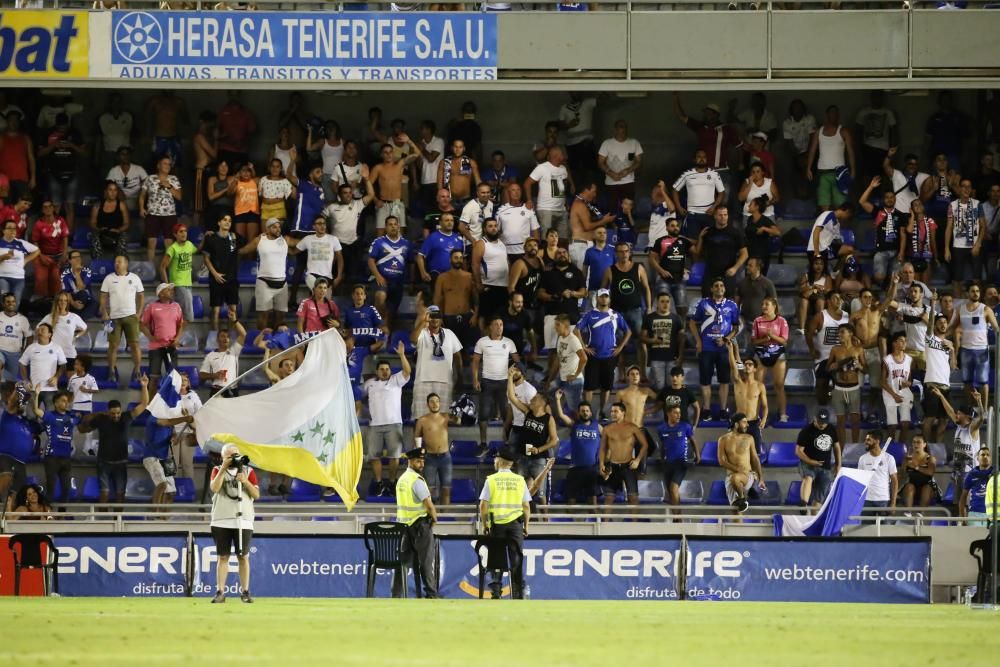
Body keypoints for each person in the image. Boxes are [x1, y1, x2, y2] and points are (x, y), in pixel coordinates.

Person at [78, 377, 149, 505]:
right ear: (108, 412)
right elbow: (82, 430)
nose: (116, 415)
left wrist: (144, 386)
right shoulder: (101, 419)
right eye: (112, 413)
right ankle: (104, 523)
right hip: (103, 462)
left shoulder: (127, 417)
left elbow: (144, 404)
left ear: (121, 411)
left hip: (121, 463)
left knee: (120, 494)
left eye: (118, 413)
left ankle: (118, 523)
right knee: (104, 494)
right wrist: (92, 416)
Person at [478, 444, 531, 599]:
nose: (494, 460)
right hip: (515, 525)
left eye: (495, 458)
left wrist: (485, 524)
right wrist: (526, 526)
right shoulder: (520, 480)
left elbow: (483, 506)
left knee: (496, 559)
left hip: (497, 525)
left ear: (500, 461)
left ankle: (496, 592)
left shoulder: (492, 480)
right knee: (516, 560)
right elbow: (526, 506)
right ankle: (517, 592)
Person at [209, 443, 260, 603]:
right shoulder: (217, 470)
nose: (234, 459)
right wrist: (223, 468)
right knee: (222, 557)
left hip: (243, 520)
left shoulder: (249, 471)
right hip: (222, 519)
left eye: (236, 455)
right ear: (223, 457)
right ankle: (220, 592)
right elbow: (215, 488)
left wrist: (245, 481)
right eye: (230, 456)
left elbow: (256, 495)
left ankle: (245, 591)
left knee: (243, 556)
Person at [690, 277, 742, 421]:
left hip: (723, 349)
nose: (719, 287)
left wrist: (726, 339)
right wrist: (698, 341)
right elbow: (692, 323)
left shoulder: (732, 305)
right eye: (716, 285)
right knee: (705, 380)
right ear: (712, 289)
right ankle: (706, 409)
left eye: (721, 285)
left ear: (724, 289)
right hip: (706, 348)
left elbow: (736, 327)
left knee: (724, 380)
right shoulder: (703, 303)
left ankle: (723, 409)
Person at [363, 343, 411, 497]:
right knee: (373, 456)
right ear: (377, 371)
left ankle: (391, 482)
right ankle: (378, 483)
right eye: (382, 369)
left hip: (394, 424)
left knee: (394, 456)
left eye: (387, 369)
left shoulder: (396, 380)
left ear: (391, 371)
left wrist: (402, 355)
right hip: (374, 425)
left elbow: (407, 371)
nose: (384, 371)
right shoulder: (369, 384)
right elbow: (357, 398)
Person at [506, 366, 558, 503]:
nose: (531, 400)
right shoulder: (528, 412)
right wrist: (510, 377)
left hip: (539, 459)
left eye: (535, 399)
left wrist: (539, 449)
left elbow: (554, 440)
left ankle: (545, 521)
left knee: (541, 493)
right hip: (524, 456)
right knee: (522, 493)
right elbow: (512, 397)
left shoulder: (548, 418)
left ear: (542, 403)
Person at [393, 446, 439, 598]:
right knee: (426, 562)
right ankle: (431, 594)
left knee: (402, 564)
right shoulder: (416, 480)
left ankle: (396, 594)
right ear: (410, 461)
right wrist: (434, 518)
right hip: (420, 526)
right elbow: (428, 504)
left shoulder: (401, 479)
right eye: (418, 461)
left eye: (422, 461)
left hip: (404, 527)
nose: (422, 465)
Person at [577, 288, 630, 417]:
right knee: (589, 386)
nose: (604, 299)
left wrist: (620, 347)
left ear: (609, 299)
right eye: (602, 296)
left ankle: (601, 411)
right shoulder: (590, 315)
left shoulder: (616, 315)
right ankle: (586, 412)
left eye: (606, 296)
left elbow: (628, 331)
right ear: (598, 299)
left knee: (606, 387)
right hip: (593, 356)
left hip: (610, 356)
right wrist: (584, 347)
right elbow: (576, 330)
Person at [601, 242, 651, 379]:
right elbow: (603, 291)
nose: (623, 254)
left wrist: (649, 307)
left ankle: (644, 374)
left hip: (636, 311)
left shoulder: (638, 268)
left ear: (629, 252)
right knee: (618, 344)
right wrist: (602, 309)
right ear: (616, 253)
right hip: (616, 312)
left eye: (626, 251)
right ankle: (622, 374)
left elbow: (646, 288)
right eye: (620, 251)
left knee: (641, 342)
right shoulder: (610, 270)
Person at [538, 245, 587, 381]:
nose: (561, 254)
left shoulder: (576, 272)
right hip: (552, 315)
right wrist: (554, 296)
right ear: (555, 257)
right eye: (558, 253)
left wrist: (572, 293)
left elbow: (584, 292)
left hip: (570, 316)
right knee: (553, 350)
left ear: (568, 255)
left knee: (572, 349)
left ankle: (571, 376)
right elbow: (540, 293)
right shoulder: (548, 273)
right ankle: (551, 378)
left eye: (564, 252)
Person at [932, 385, 983, 509]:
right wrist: (941, 396)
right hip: (958, 471)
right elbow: (950, 411)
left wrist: (979, 402)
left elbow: (981, 419)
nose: (956, 415)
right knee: (957, 503)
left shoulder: (972, 429)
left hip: (970, 472)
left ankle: (965, 526)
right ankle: (959, 525)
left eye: (959, 414)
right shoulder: (959, 426)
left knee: (966, 503)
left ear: (967, 417)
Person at [472, 318, 519, 450]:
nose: (499, 327)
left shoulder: (509, 342)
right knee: (483, 414)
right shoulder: (482, 342)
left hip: (504, 382)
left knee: (506, 414)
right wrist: (475, 380)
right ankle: (483, 443)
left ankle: (507, 442)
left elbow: (517, 361)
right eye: (496, 325)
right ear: (490, 327)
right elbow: (475, 362)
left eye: (501, 324)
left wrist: (515, 376)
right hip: (487, 381)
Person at [99, 254, 144, 385]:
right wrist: (104, 312)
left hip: (131, 316)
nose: (116, 264)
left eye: (119, 261)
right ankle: (112, 370)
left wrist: (139, 312)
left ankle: (137, 369)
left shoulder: (135, 278)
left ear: (126, 264)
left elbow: (141, 296)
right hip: (113, 318)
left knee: (135, 344)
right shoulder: (108, 278)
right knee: (113, 346)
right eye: (115, 262)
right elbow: (103, 297)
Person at [411, 307, 463, 420]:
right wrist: (423, 322)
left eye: (437, 316)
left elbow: (458, 356)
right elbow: (413, 340)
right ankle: (418, 438)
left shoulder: (449, 334)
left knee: (443, 418)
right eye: (432, 316)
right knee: (420, 418)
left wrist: (459, 376)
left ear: (441, 319)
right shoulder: (423, 332)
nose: (435, 319)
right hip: (423, 381)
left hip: (445, 381)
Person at [30, 387, 78, 506]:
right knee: (50, 489)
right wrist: (36, 395)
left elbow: (83, 421)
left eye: (67, 401)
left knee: (66, 490)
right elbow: (36, 410)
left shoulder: (71, 416)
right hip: (52, 457)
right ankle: (48, 516)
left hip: (66, 458)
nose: (66, 403)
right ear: (56, 403)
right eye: (63, 400)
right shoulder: (50, 416)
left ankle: (61, 518)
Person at [239, 218, 289, 330]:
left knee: (280, 316)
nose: (278, 229)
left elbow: (300, 245)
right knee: (263, 316)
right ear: (268, 228)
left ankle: (277, 343)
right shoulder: (260, 240)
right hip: (264, 282)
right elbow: (243, 251)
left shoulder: (285, 240)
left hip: (282, 283)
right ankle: (262, 343)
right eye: (274, 227)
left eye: (279, 226)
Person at [553, 390, 601, 506]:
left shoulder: (598, 427)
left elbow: (609, 440)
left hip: (592, 469)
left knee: (593, 503)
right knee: (571, 501)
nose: (585, 413)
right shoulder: (574, 425)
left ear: (590, 413)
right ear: (579, 413)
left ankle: (595, 523)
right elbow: (561, 415)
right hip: (575, 469)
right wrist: (558, 400)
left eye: (587, 411)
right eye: (582, 411)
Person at [955, 282, 998, 408]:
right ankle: (971, 409)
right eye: (990, 293)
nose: (975, 293)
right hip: (970, 349)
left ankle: (984, 410)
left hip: (987, 350)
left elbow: (997, 329)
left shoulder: (988, 309)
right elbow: (956, 329)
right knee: (967, 381)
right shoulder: (964, 309)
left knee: (984, 381)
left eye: (977, 291)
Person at [598, 402, 648, 507]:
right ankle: (605, 523)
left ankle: (634, 523)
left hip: (628, 466)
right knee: (609, 498)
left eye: (616, 411)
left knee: (633, 498)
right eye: (611, 411)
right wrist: (601, 464)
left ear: (623, 412)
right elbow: (603, 448)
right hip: (613, 466)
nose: (613, 414)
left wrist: (638, 460)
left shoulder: (632, 427)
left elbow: (645, 445)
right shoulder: (607, 429)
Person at [858, 176, 906, 286]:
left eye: (892, 197)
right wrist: (871, 187)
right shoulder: (877, 211)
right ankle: (881, 284)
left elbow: (903, 234)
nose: (889, 199)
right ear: (883, 199)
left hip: (896, 251)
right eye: (887, 197)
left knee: (896, 280)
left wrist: (902, 252)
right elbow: (862, 201)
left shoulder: (900, 214)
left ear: (895, 199)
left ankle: (889, 291)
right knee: (879, 277)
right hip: (881, 251)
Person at [368, 216, 413, 329]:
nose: (393, 226)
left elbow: (411, 263)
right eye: (390, 224)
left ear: (398, 226)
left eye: (395, 224)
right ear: (385, 227)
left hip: (398, 282)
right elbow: (370, 260)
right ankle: (380, 326)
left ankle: (385, 332)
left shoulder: (406, 244)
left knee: (391, 312)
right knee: (380, 296)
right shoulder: (378, 242)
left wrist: (411, 281)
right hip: (382, 279)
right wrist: (378, 276)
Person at [201, 214, 244, 331]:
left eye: (230, 221)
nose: (227, 222)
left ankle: (229, 336)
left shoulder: (234, 238)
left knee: (233, 310)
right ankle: (214, 337)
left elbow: (242, 249)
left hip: (232, 279)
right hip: (216, 279)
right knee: (215, 311)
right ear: (219, 223)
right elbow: (206, 258)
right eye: (224, 220)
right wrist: (215, 274)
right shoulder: (211, 237)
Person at [717, 413, 766, 514]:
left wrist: (761, 478)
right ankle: (741, 502)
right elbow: (722, 461)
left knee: (736, 478)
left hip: (747, 476)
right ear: (736, 424)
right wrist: (737, 469)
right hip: (731, 477)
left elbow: (755, 459)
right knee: (736, 513)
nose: (747, 425)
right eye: (744, 422)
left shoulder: (749, 438)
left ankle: (742, 498)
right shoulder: (723, 439)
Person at [944, 179, 986, 294]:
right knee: (957, 279)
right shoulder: (952, 205)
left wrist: (978, 244)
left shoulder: (977, 204)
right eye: (963, 186)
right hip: (958, 246)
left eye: (969, 187)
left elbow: (983, 226)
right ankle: (958, 306)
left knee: (977, 278)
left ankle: (980, 307)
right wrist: (947, 248)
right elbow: (949, 227)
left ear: (971, 189)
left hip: (975, 245)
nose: (966, 189)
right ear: (959, 188)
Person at [726, 340, 767, 459]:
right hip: (738, 422)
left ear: (755, 369)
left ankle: (753, 476)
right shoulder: (738, 382)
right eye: (745, 364)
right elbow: (733, 366)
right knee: (735, 455)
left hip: (753, 422)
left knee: (755, 455)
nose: (747, 366)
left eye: (750, 364)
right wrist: (730, 350)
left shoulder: (760, 386)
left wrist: (764, 418)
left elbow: (765, 406)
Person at [750, 296, 789, 423]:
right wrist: (765, 340)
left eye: (767, 304)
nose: (764, 307)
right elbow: (754, 342)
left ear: (774, 306)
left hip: (777, 354)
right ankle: (755, 415)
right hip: (761, 354)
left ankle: (783, 414)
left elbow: (784, 342)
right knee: (757, 386)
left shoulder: (782, 321)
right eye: (762, 304)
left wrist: (772, 336)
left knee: (779, 385)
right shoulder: (757, 321)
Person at [826, 323, 865, 447]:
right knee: (840, 421)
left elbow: (866, 369)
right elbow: (827, 368)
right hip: (838, 389)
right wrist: (833, 366)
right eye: (839, 332)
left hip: (854, 389)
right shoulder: (835, 349)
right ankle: (840, 448)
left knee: (855, 421)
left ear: (850, 333)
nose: (839, 335)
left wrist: (859, 366)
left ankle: (855, 447)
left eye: (842, 332)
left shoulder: (858, 350)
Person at [139, 155, 183, 265]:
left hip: (169, 214)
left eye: (169, 164)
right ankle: (150, 269)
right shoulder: (150, 178)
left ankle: (168, 270)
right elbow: (142, 195)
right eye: (165, 163)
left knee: (169, 242)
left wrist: (169, 186)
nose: (167, 166)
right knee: (151, 242)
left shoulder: (174, 179)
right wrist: (141, 208)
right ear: (158, 165)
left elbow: (179, 197)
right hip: (153, 214)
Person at [807, 291, 848, 407]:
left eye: (840, 298)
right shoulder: (820, 316)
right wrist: (812, 349)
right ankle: (822, 408)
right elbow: (809, 333)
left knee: (843, 384)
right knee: (821, 385)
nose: (838, 300)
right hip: (823, 358)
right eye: (835, 298)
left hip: (842, 358)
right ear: (828, 301)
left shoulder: (847, 316)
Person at [695, 208, 747, 298]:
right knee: (706, 302)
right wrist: (700, 238)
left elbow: (745, 254)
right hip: (710, 273)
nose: (723, 217)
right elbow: (697, 252)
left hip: (728, 274)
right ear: (715, 216)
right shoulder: (708, 232)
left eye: (725, 215)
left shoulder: (735, 233)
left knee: (728, 302)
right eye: (720, 215)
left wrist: (735, 268)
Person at [414, 393, 455, 505]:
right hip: (429, 457)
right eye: (432, 401)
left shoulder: (446, 417)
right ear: (427, 404)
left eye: (437, 401)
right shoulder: (422, 420)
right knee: (429, 490)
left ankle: (445, 517)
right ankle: (431, 516)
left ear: (440, 403)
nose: (435, 404)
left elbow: (459, 420)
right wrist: (419, 456)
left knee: (446, 489)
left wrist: (459, 411)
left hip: (445, 457)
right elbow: (417, 437)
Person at [795, 408, 841, 507]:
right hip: (808, 463)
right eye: (819, 422)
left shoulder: (831, 429)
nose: (822, 425)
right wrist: (811, 461)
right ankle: (803, 504)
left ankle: (813, 518)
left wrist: (838, 464)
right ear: (814, 419)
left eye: (824, 423)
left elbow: (837, 447)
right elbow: (798, 451)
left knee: (819, 497)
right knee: (808, 477)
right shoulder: (806, 431)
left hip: (825, 466)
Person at [922, 314, 957, 443]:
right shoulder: (930, 339)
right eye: (940, 322)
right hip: (932, 383)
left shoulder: (950, 344)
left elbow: (953, 366)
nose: (943, 324)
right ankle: (926, 448)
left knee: (945, 420)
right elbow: (929, 324)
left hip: (946, 385)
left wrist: (952, 350)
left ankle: (938, 448)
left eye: (945, 322)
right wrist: (932, 303)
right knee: (929, 418)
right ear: (936, 325)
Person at [140, 283, 184, 387]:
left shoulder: (176, 306)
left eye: (171, 290)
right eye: (168, 290)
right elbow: (141, 324)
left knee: (174, 378)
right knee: (154, 379)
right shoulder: (152, 307)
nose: (171, 291)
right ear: (161, 293)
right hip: (156, 347)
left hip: (171, 346)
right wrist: (150, 337)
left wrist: (177, 339)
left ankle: (172, 403)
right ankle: (150, 403)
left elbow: (180, 325)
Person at [524, 146, 573, 239]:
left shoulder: (563, 169)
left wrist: (565, 203)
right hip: (546, 209)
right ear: (556, 156)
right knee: (547, 238)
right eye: (562, 154)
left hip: (561, 209)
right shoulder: (542, 168)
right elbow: (527, 183)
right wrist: (529, 200)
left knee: (564, 238)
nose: (565, 156)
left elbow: (562, 188)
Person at [39, 292, 86, 382]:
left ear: (68, 302)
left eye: (65, 300)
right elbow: (39, 329)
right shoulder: (50, 317)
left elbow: (84, 328)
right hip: (53, 353)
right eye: (60, 300)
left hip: (69, 352)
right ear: (57, 302)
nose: (63, 302)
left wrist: (76, 336)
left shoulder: (73, 317)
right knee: (52, 381)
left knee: (72, 382)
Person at [659, 405, 699, 508]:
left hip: (681, 463)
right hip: (668, 464)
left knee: (673, 488)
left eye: (679, 413)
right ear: (668, 413)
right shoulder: (661, 428)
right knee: (671, 493)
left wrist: (697, 455)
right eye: (675, 413)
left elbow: (693, 440)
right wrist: (662, 458)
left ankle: (677, 519)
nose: (678, 415)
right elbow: (663, 444)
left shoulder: (685, 426)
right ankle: (677, 519)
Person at [199, 310, 247, 397]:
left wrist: (235, 320)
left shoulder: (234, 351)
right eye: (222, 336)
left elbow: (243, 334)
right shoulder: (210, 355)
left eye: (228, 337)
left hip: (232, 389)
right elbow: (202, 375)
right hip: (216, 390)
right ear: (217, 339)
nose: (226, 338)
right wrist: (214, 375)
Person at [471, 218, 508, 324]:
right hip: (488, 285)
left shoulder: (501, 244)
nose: (493, 228)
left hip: (503, 286)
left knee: (500, 316)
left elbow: (506, 262)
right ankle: (483, 338)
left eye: (495, 226)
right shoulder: (481, 243)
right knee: (485, 316)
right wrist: (478, 283)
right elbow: (475, 264)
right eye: (490, 226)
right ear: (484, 229)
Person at [30, 200, 70, 299]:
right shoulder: (39, 224)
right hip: (43, 255)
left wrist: (65, 253)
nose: (47, 209)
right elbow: (35, 242)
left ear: (53, 208)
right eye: (45, 207)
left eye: (49, 206)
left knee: (55, 277)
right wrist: (41, 256)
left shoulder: (61, 221)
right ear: (42, 210)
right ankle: (40, 299)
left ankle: (54, 300)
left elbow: (65, 237)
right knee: (41, 278)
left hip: (58, 256)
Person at [19, 323, 66, 405]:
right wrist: (26, 381)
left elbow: (63, 365)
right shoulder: (31, 347)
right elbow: (22, 364)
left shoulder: (57, 348)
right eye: (38, 330)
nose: (39, 332)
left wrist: (56, 378)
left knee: (49, 415)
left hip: (50, 389)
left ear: (49, 334)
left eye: (43, 330)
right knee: (30, 417)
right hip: (33, 388)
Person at [881, 331, 913, 443]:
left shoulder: (909, 359)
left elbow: (910, 380)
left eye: (905, 341)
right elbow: (882, 382)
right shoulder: (887, 360)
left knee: (905, 424)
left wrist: (908, 384)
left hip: (904, 393)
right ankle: (889, 450)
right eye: (901, 340)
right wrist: (894, 395)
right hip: (890, 394)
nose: (904, 343)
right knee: (892, 425)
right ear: (894, 343)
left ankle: (901, 449)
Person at [0, 218, 40, 308]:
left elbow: (37, 251)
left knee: (16, 305)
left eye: (14, 228)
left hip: (19, 278)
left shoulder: (21, 243)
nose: (12, 230)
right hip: (2, 277)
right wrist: (2, 257)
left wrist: (25, 260)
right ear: (3, 230)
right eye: (9, 228)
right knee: (5, 303)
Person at [857, 430, 898, 512]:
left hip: (883, 499)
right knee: (865, 525)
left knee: (883, 525)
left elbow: (894, 481)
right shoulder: (862, 459)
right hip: (866, 500)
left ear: (877, 441)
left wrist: (893, 502)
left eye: (868, 440)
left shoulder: (889, 458)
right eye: (865, 440)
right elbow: (860, 480)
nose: (865, 442)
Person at [90, 181, 130, 259]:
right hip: (102, 232)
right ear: (106, 191)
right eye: (110, 190)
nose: (113, 192)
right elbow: (92, 223)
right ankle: (97, 263)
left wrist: (118, 230)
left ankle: (120, 261)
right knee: (94, 237)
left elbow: (126, 223)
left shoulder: (121, 205)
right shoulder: (97, 205)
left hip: (117, 232)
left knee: (123, 237)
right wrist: (99, 229)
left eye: (115, 190)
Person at [901, 435, 936, 509]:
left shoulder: (930, 458)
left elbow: (930, 472)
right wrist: (904, 464)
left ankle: (921, 515)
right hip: (911, 487)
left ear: (924, 444)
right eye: (914, 442)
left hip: (927, 487)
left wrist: (915, 467)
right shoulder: (907, 458)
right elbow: (902, 474)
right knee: (909, 486)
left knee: (926, 488)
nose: (916, 444)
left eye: (918, 442)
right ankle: (908, 513)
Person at [0, 292, 29, 382]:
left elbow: (30, 336)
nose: (11, 304)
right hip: (0, 349)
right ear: (3, 303)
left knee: (11, 382)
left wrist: (25, 350)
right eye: (8, 301)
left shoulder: (22, 319)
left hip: (15, 353)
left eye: (13, 301)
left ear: (16, 303)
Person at [961, 448, 993, 525]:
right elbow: (963, 497)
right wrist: (963, 518)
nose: (985, 457)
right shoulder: (971, 474)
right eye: (982, 454)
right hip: (974, 514)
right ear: (978, 458)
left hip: (992, 514)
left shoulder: (996, 473)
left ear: (991, 458)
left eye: (988, 455)